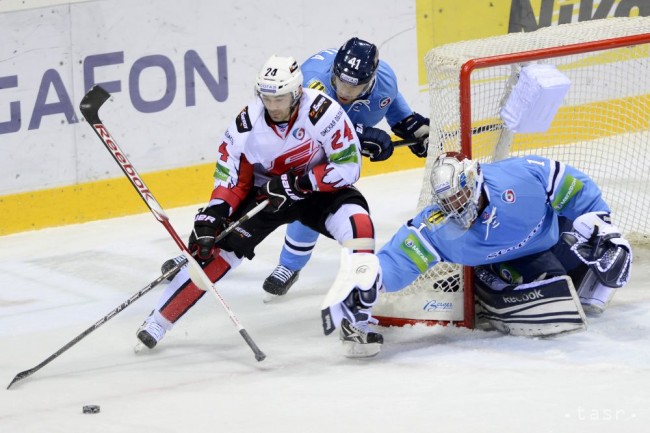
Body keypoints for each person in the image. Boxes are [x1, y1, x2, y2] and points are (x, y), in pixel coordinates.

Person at [137, 55, 383, 357]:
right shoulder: (245, 124)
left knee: (360, 227)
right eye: (267, 98)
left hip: (318, 191)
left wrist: (300, 183)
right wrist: (215, 213)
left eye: (280, 98)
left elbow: (348, 166)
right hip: (265, 196)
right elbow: (231, 179)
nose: (274, 106)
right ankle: (158, 322)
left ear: (297, 93)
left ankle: (356, 320)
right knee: (214, 252)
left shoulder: (323, 112)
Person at [374, 151, 632, 336]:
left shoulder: (519, 177)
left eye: (460, 196)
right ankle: (481, 277)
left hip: (552, 235)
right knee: (553, 286)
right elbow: (402, 257)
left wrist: (604, 228)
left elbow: (572, 188)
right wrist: (371, 280)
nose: (455, 206)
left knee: (600, 268)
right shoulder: (437, 225)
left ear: (473, 181)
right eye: (448, 201)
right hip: (517, 258)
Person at [260, 37, 430, 299]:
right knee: (294, 192)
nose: (345, 92)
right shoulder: (313, 82)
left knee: (318, 193)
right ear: (333, 73)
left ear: (371, 79)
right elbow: (302, 128)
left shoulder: (385, 80)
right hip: (300, 142)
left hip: (339, 147)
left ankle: (288, 265)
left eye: (356, 86)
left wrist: (414, 128)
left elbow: (395, 108)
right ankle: (282, 262)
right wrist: (360, 136)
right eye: (340, 83)